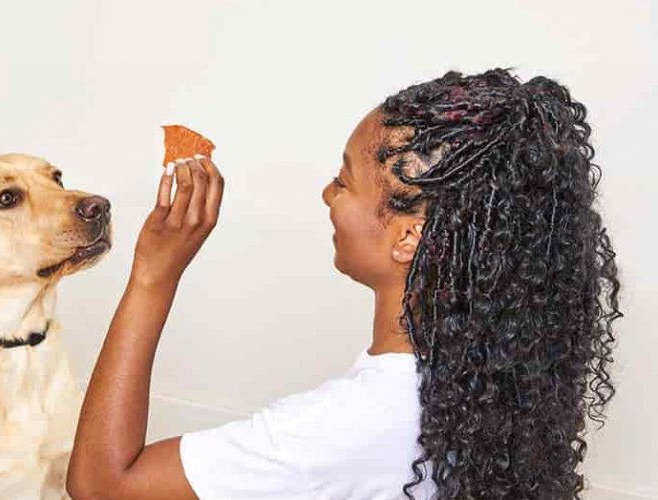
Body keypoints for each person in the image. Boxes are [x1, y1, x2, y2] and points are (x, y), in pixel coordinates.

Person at [66, 68, 621, 500]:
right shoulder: (489, 387)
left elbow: (103, 485)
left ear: (409, 235)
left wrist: (152, 275)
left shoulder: (355, 425)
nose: (329, 195)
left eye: (344, 180)